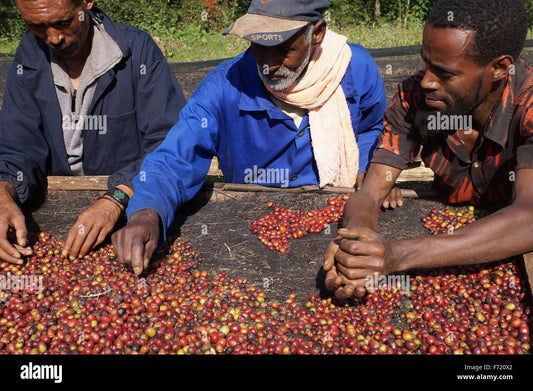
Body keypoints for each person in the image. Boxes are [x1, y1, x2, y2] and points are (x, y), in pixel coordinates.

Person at [112, 0, 396, 275]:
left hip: (339, 215)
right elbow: (174, 158)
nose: (269, 65)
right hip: (249, 230)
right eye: (259, 47)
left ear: (317, 34)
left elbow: (373, 128)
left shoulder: (353, 68)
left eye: (284, 49)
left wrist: (371, 168)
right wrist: (148, 213)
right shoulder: (226, 86)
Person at [323, 0, 533, 300]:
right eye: (425, 63)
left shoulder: (528, 105)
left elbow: (529, 217)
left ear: (499, 68)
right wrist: (358, 245)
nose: (427, 81)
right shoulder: (415, 98)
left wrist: (397, 254)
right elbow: (370, 192)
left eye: (445, 73)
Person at [0, 0, 185, 264]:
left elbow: (169, 142)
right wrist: (4, 190)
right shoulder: (30, 55)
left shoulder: (136, 51)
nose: (53, 38)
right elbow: (18, 145)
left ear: (86, 2)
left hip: (130, 208)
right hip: (60, 207)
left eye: (63, 22)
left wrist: (118, 197)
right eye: (36, 26)